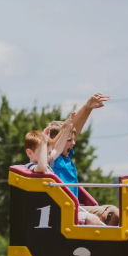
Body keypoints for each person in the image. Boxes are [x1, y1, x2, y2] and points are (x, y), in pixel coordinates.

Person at [49, 93, 119, 226]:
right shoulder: (52, 159)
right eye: (68, 140)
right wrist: (85, 107)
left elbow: (75, 129)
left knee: (115, 213)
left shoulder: (66, 157)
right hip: (64, 209)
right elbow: (65, 131)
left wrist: (89, 109)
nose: (73, 143)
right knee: (95, 219)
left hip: (77, 206)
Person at [22, 117, 104, 226]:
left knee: (99, 219)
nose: (49, 155)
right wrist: (44, 143)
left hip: (62, 206)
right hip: (52, 210)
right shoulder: (32, 166)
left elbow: (58, 148)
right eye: (44, 152)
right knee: (93, 220)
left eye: (49, 152)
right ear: (30, 153)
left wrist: (67, 129)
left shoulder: (48, 162)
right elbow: (41, 167)